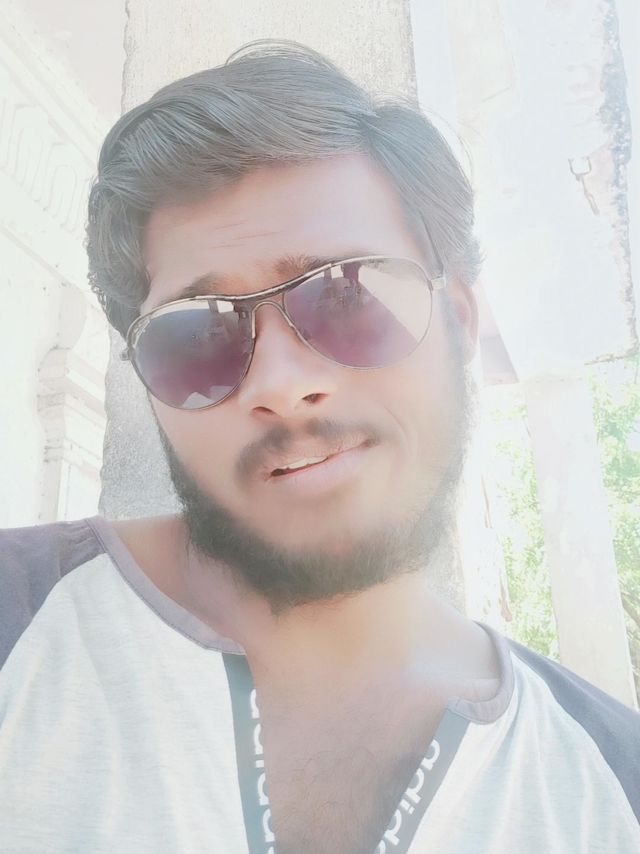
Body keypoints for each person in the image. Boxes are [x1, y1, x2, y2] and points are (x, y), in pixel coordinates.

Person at [0, 40, 638, 854]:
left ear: (459, 322)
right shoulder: (19, 624)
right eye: (194, 335)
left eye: (348, 293)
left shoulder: (612, 786)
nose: (281, 382)